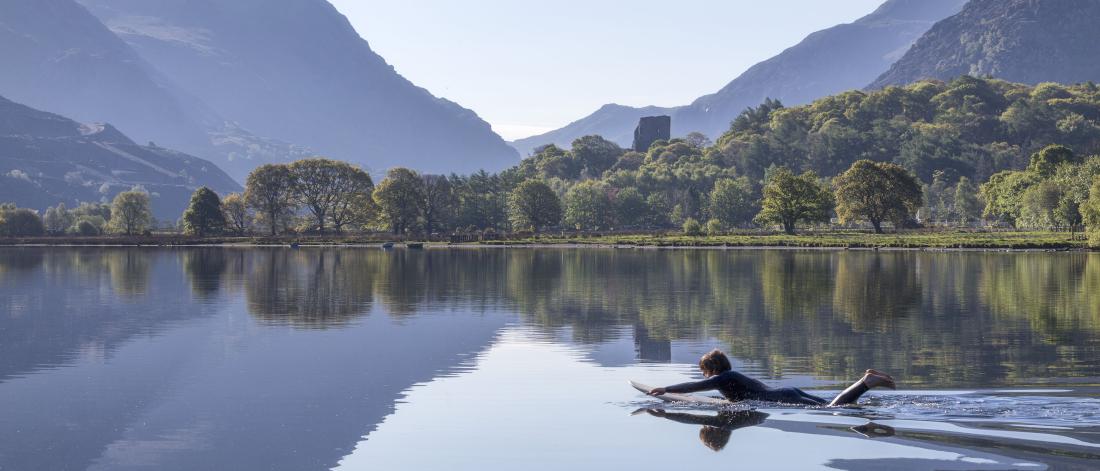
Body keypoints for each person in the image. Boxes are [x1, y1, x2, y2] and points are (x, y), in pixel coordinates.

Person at [648, 349, 895, 406]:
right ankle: (866, 380)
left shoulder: (723, 378)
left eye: (704, 369)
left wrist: (665, 388)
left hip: (783, 398)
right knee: (830, 405)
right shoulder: (731, 377)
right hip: (786, 392)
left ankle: (866, 382)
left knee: (833, 409)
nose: (704, 374)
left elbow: (696, 386)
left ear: (712, 368)